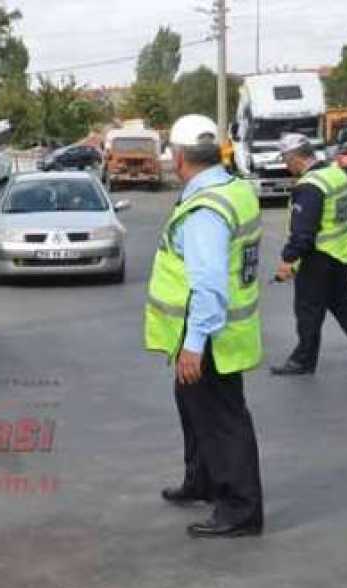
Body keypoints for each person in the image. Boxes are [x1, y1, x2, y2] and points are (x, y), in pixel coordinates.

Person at [145, 114, 264, 538]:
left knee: (221, 419)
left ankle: (239, 509)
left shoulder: (206, 209)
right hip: (213, 330)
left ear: (178, 158)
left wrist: (194, 344)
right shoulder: (235, 189)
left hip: (210, 333)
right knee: (193, 405)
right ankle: (202, 479)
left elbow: (209, 284)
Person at [270, 134, 347, 375]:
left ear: (295, 157)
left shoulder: (310, 186)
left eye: (285, 159)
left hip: (318, 257)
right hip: (341, 253)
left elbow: (303, 232)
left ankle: (303, 361)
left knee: (309, 309)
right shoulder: (335, 173)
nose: (286, 165)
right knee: (343, 303)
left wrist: (288, 260)